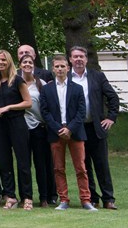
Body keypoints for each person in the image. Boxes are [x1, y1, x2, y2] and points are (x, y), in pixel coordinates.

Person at [39, 55, 97, 211]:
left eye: (62, 66)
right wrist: (59, 128)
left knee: (81, 168)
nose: (60, 69)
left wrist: (69, 129)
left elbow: (81, 112)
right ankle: (64, 199)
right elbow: (45, 112)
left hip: (75, 132)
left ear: (68, 68)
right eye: (57, 66)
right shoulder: (46, 89)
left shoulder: (77, 88)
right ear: (53, 69)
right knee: (58, 168)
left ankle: (86, 200)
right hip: (56, 132)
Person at [69, 46, 119, 210]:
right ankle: (92, 198)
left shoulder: (97, 76)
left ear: (86, 59)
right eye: (75, 56)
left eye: (81, 56)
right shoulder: (66, 79)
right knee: (84, 166)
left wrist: (111, 117)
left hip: (96, 127)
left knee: (101, 165)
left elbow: (113, 97)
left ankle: (108, 199)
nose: (78, 59)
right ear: (70, 59)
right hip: (77, 129)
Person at [0, 50, 33, 210]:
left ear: (9, 61)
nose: (0, 62)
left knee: (23, 162)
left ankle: (27, 197)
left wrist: (8, 107)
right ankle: (10, 196)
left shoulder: (17, 80)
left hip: (17, 123)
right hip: (0, 125)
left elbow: (28, 102)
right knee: (4, 162)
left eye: (3, 59)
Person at [20, 54, 56, 206]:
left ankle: (44, 197)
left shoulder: (41, 83)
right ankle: (25, 197)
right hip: (22, 129)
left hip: (39, 128)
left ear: (33, 65)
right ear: (20, 65)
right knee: (23, 164)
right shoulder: (15, 82)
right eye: (24, 62)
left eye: (30, 62)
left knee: (41, 164)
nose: (27, 64)